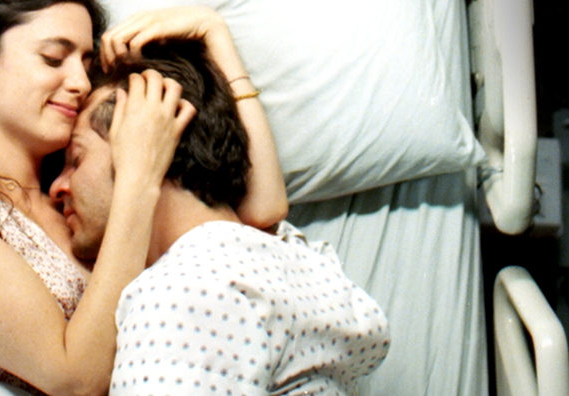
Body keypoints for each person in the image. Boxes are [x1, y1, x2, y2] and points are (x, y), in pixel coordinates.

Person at [0, 0, 286, 395]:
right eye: (54, 59)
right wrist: (138, 177)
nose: (80, 83)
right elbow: (75, 380)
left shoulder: (73, 192)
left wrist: (215, 34)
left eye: (86, 63)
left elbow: (257, 216)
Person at [48, 38, 390, 395]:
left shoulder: (181, 297)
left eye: (76, 160)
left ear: (146, 147)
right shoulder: (295, 257)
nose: (57, 188)